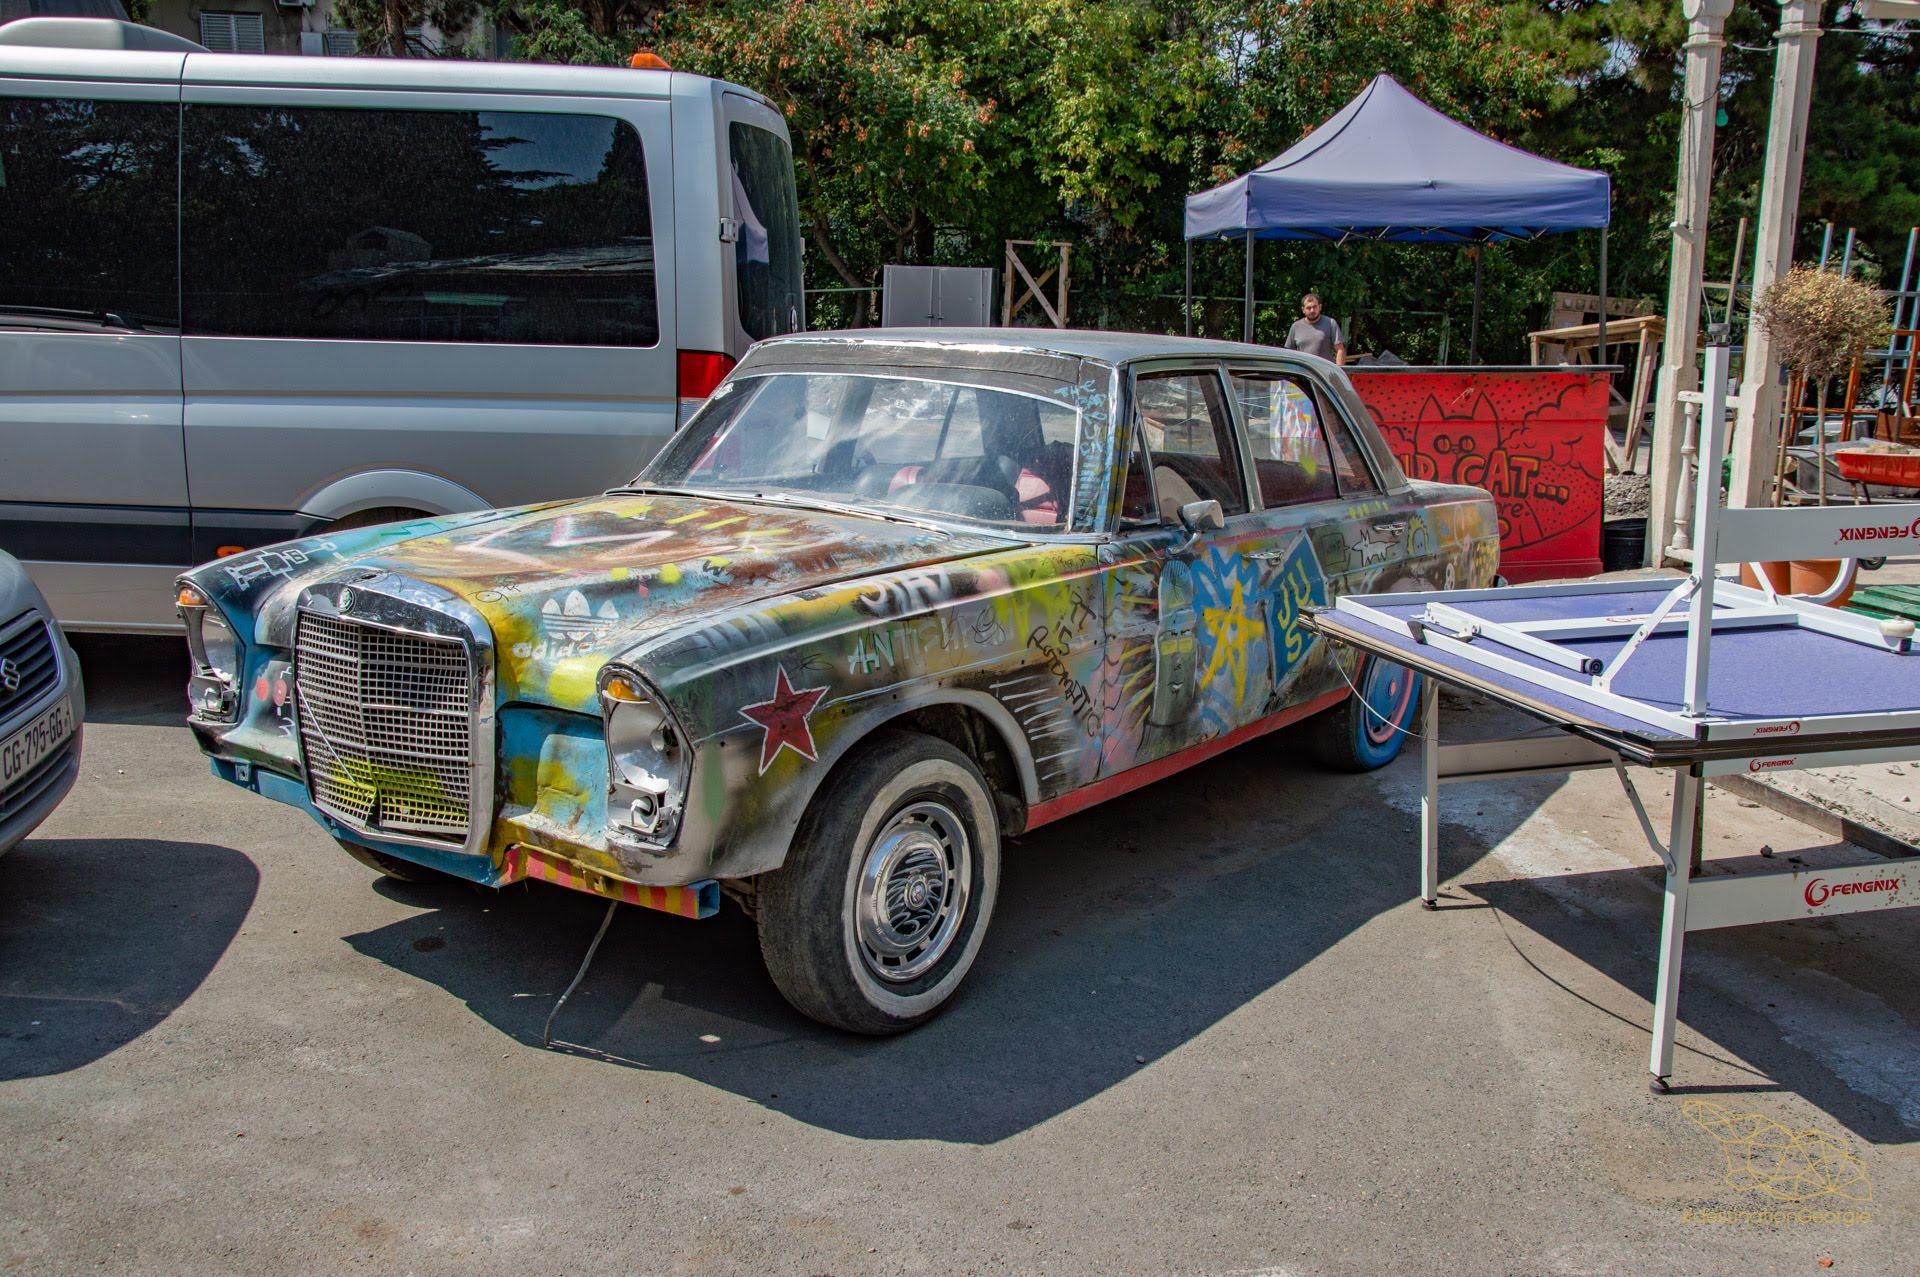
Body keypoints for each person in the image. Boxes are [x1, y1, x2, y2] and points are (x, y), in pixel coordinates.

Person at [1284, 293, 1345, 366]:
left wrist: (1339, 370)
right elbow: (1289, 353)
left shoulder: (1330, 323)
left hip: (1324, 371)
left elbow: (1340, 350)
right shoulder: (1295, 327)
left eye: (1314, 307)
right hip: (1303, 371)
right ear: (1303, 310)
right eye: (1308, 308)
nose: (1312, 310)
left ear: (1320, 307)